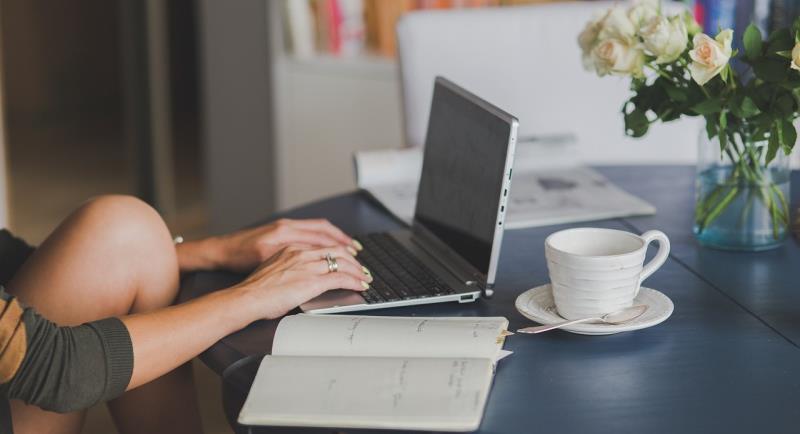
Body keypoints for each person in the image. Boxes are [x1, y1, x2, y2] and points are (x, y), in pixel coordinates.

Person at [0, 194, 372, 434]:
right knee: (122, 227)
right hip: (41, 371)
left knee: (124, 229)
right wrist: (254, 295)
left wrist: (210, 251)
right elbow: (54, 367)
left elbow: (11, 266)